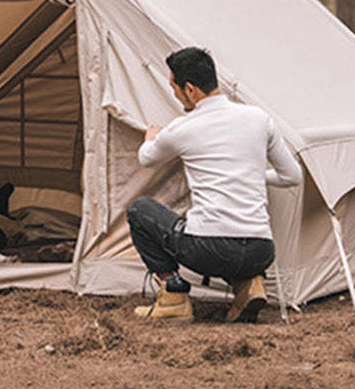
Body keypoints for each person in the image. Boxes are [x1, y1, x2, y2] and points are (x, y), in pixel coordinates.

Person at [126, 47, 302, 323]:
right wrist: (252, 175)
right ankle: (250, 284)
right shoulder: (258, 118)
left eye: (174, 88)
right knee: (232, 241)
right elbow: (293, 176)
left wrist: (151, 137)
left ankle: (173, 295)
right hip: (260, 251)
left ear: (191, 89)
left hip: (209, 251)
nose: (174, 94)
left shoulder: (183, 128)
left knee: (140, 210)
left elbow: (146, 159)